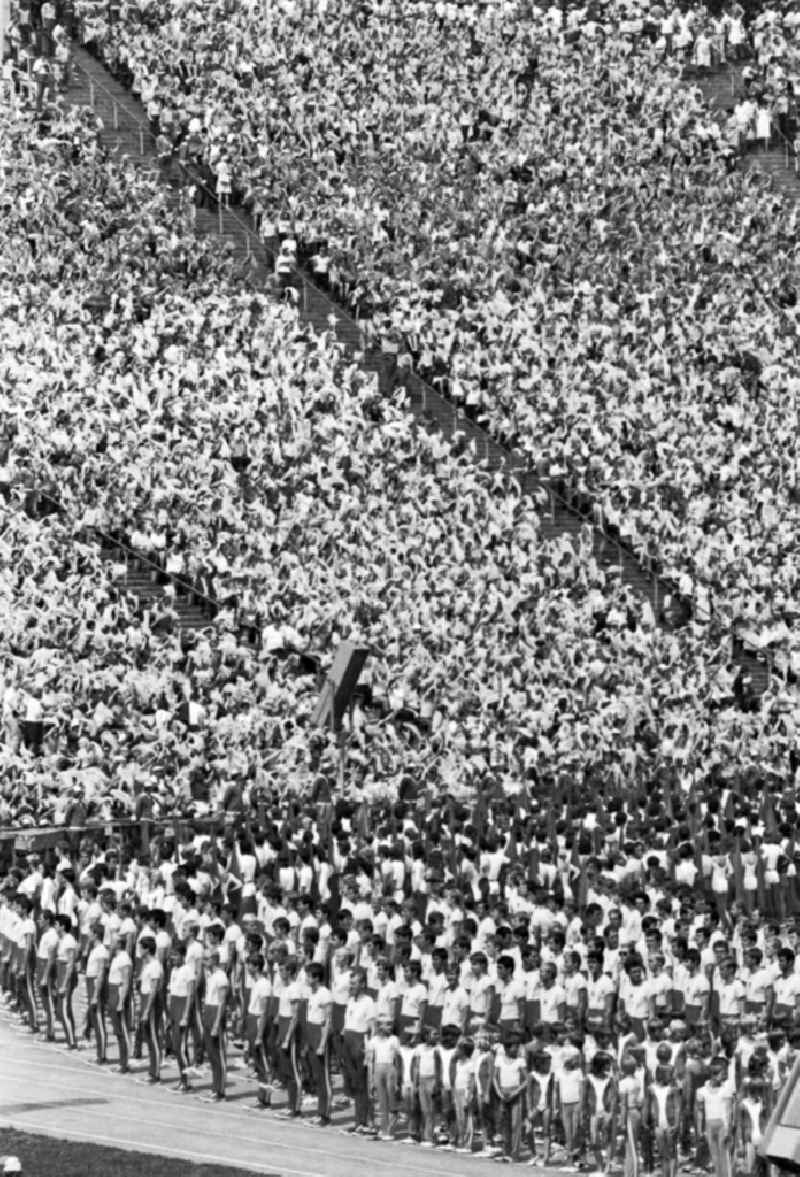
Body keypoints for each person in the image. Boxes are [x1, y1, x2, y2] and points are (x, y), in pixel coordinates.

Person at [138, 934, 163, 1084]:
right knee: (148, 1037)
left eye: (141, 947)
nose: (139, 950)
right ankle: (152, 1070)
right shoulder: (147, 964)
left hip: (151, 1002)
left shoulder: (155, 966)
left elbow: (154, 990)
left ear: (147, 949)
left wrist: (147, 1010)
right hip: (144, 997)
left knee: (153, 1037)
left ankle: (156, 1073)